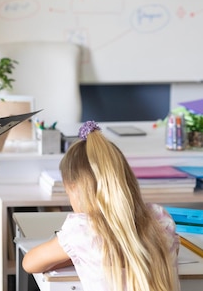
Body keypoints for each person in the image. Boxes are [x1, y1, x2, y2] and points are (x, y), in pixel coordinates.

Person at [22, 121, 179, 291]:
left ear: (74, 188)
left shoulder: (81, 230)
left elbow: (29, 263)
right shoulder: (161, 217)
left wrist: (72, 255)